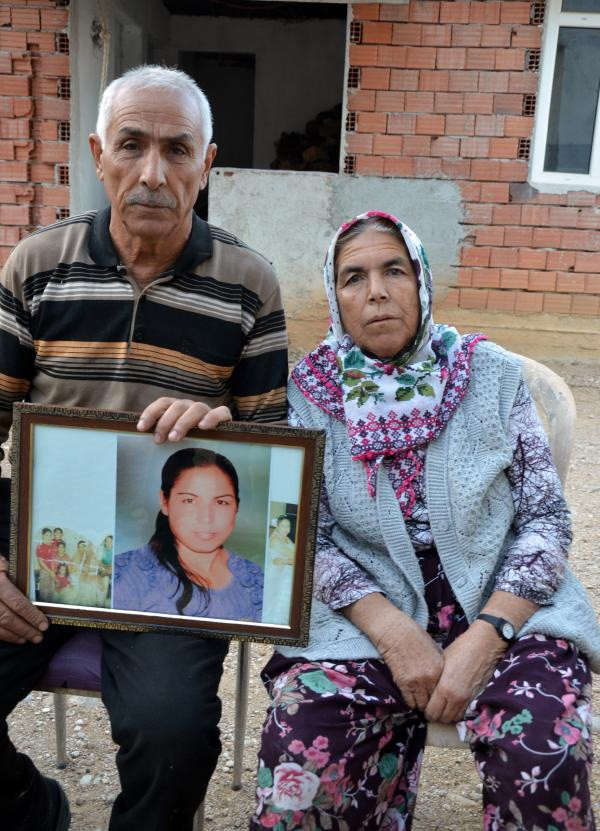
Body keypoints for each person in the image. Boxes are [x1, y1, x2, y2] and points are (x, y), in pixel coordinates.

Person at [0, 64, 287, 831]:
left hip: (169, 557)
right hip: (37, 538)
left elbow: (274, 449)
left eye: (177, 150)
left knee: (172, 735)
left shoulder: (249, 286)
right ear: (98, 153)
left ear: (208, 163)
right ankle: (31, 807)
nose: (153, 173)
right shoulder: (36, 266)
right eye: (131, 145)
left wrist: (227, 424)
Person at [250, 211, 600, 830]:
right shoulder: (306, 394)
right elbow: (299, 531)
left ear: (423, 281)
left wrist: (487, 636)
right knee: (304, 765)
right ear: (335, 297)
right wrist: (389, 628)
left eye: (395, 270)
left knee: (544, 754)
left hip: (508, 609)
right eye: (354, 277)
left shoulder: (491, 376)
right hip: (362, 615)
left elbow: (547, 521)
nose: (377, 290)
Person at [114, 448, 263, 621]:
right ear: (165, 501)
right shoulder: (122, 574)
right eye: (189, 501)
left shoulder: (256, 579)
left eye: (221, 502)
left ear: (236, 506)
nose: (206, 518)